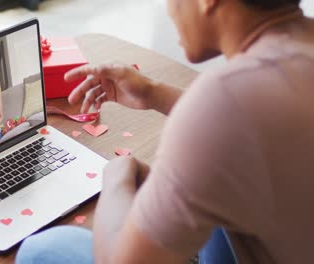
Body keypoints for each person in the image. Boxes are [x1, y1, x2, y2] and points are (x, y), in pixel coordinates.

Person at [16, 0, 314, 263]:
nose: (169, 8)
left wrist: (118, 174)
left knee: (41, 249)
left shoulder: (223, 102)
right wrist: (152, 93)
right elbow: (252, 118)